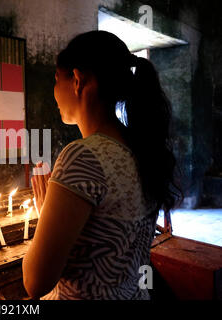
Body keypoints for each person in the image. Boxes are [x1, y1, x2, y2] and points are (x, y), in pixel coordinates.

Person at [23, 31, 182, 300]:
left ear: (77, 80)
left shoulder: (83, 157)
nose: (54, 93)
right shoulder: (142, 148)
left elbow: (36, 282)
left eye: (55, 80)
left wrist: (45, 216)